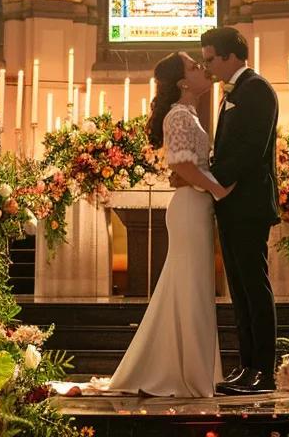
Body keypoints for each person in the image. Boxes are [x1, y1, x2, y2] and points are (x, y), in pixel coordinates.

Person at [106, 52, 229, 397]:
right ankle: (189, 374)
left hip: (195, 206)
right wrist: (220, 190)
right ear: (182, 83)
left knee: (191, 288)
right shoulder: (179, 116)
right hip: (190, 208)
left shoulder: (188, 114)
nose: (202, 69)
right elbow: (183, 167)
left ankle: (192, 369)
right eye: (194, 67)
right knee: (190, 288)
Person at [197, 26, 280, 394]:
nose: (207, 65)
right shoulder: (232, 92)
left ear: (231, 56)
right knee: (239, 292)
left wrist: (208, 178)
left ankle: (264, 369)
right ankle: (246, 366)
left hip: (248, 204)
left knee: (254, 288)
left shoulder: (257, 89)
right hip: (231, 203)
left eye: (211, 58)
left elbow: (251, 151)